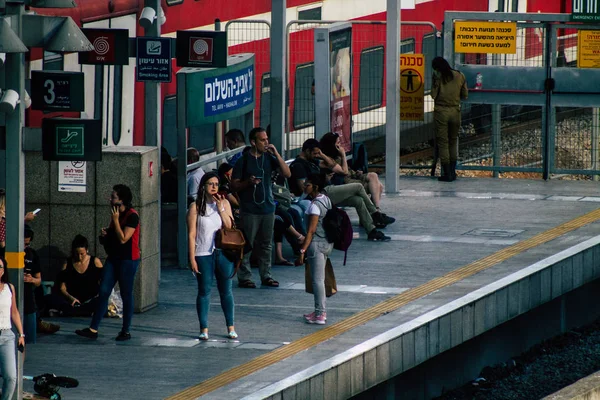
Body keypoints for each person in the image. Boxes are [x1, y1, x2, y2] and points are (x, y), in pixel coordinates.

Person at [289, 139, 391, 242]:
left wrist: (322, 155)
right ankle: (376, 214)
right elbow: (304, 188)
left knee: (358, 200)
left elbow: (331, 164)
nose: (317, 155)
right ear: (307, 151)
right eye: (315, 153)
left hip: (326, 192)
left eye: (318, 153)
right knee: (358, 187)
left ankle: (371, 231)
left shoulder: (311, 161)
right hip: (322, 193)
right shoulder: (299, 165)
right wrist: (320, 182)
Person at [76, 184, 140, 341]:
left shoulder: (132, 216)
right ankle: (93, 328)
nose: (110, 199)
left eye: (113, 197)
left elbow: (124, 238)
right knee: (104, 290)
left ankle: (126, 330)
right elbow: (114, 236)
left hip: (127, 260)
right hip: (114, 258)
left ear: (121, 200)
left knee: (126, 294)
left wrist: (116, 222)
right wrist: (106, 233)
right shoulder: (115, 214)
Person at [231, 127, 291, 288]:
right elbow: (234, 185)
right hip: (250, 209)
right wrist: (247, 183)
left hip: (267, 208)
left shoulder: (269, 159)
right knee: (247, 244)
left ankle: (266, 275)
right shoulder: (243, 161)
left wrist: (276, 154)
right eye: (262, 140)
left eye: (266, 139)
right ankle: (245, 276)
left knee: (266, 244)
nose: (266, 142)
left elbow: (287, 174)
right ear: (253, 142)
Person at [187, 172, 238, 340]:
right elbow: (192, 234)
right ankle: (204, 328)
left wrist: (221, 209)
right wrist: (192, 257)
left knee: (226, 291)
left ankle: (230, 326)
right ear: (203, 186)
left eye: (216, 183)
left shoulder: (224, 203)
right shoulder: (195, 207)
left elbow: (229, 226)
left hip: (222, 252)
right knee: (204, 291)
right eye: (210, 183)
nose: (214, 187)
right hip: (203, 253)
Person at [295, 174, 334, 325]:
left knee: (317, 281)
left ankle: (320, 313)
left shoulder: (314, 206)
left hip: (316, 244)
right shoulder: (326, 200)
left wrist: (302, 251)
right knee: (320, 279)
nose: (305, 187)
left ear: (315, 187)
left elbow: (310, 231)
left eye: (308, 184)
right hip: (327, 243)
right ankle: (318, 311)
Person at [319, 132, 387, 213]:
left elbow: (348, 170)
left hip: (352, 177)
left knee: (374, 176)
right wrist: (343, 155)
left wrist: (356, 172)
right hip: (345, 182)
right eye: (338, 143)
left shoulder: (336, 155)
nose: (340, 145)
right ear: (332, 145)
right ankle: (376, 211)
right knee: (378, 186)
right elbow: (344, 171)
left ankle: (375, 211)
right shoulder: (328, 160)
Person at [431, 56, 468, 182]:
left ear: (437, 68)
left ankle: (447, 174)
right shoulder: (460, 75)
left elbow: (433, 95)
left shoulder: (438, 77)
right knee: (453, 141)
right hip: (455, 112)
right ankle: (453, 172)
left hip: (441, 112)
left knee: (443, 143)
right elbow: (465, 95)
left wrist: (435, 82)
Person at [52, 235, 103, 317]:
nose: (79, 257)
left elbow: (103, 282)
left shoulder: (95, 261)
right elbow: (62, 287)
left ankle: (75, 311)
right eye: (77, 254)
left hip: (90, 299)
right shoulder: (67, 263)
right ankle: (80, 311)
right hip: (72, 300)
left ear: (87, 250)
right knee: (52, 299)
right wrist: (71, 298)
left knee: (101, 302)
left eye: (82, 254)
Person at [0, 257, 25, 400]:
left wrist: (21, 334)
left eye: (0, 267)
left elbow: (14, 311)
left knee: (11, 377)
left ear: (4, 270)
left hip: (6, 335)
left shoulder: (10, 288)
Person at [23, 225, 42, 343]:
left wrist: (32, 280)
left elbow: (39, 280)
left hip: (29, 300)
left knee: (29, 340)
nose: (25, 247)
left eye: (27, 244)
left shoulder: (32, 254)